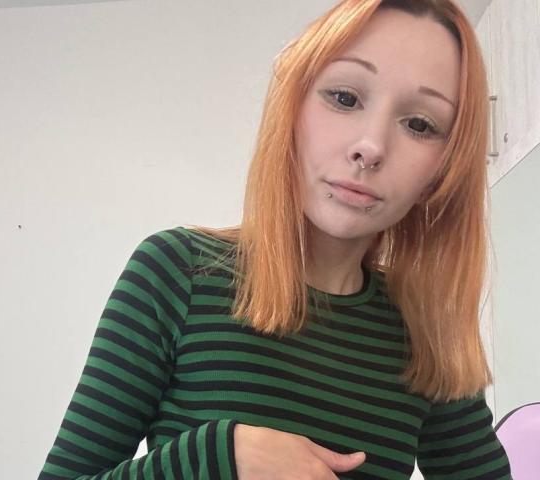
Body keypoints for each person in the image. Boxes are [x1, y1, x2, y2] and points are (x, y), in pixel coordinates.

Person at [37, 0, 512, 478]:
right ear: (292, 109)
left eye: (420, 125)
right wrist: (219, 455)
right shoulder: (177, 271)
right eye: (345, 98)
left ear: (444, 169)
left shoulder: (424, 325)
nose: (371, 147)